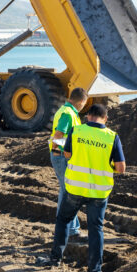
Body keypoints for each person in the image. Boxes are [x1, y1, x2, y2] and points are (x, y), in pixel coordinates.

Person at [38, 103, 126, 272]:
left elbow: (67, 154)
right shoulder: (112, 137)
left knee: (63, 220)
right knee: (96, 230)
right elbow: (121, 168)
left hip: (75, 188)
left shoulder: (76, 131)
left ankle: (55, 259)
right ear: (106, 119)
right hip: (99, 192)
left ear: (88, 117)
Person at [49, 87, 88, 241]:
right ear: (82, 101)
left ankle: (66, 228)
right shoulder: (68, 114)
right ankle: (70, 230)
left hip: (60, 156)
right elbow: (58, 137)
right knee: (68, 193)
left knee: (66, 192)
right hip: (61, 158)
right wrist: (62, 153)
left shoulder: (65, 111)